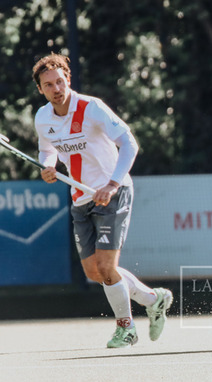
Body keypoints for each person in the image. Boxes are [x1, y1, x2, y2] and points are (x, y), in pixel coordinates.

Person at [33, 53, 173, 348]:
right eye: (49, 85)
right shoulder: (42, 118)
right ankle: (153, 299)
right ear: (40, 90)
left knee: (107, 267)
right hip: (80, 198)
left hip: (113, 193)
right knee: (95, 272)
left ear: (68, 79)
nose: (56, 88)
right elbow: (47, 150)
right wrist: (48, 166)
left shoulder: (92, 108)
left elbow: (129, 143)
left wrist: (112, 184)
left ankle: (126, 328)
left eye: (60, 81)